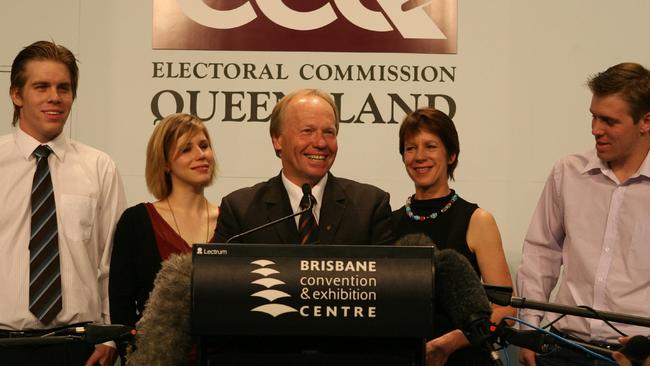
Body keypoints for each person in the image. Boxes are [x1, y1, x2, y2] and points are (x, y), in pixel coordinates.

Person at [0, 41, 126, 365]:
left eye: (64, 88)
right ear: (16, 94)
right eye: (41, 87)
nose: (55, 97)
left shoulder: (100, 167)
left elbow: (112, 262)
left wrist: (110, 335)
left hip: (78, 348)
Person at [517, 62, 650, 366]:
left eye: (609, 121)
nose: (595, 130)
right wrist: (529, 327)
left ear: (646, 122)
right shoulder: (568, 172)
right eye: (593, 116)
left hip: (634, 355)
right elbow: (541, 252)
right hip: (561, 347)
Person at [392, 107, 515, 365]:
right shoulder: (388, 222)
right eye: (410, 148)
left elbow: (505, 310)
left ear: (452, 154)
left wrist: (449, 343)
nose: (419, 156)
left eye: (431, 146)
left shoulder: (477, 220)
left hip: (462, 357)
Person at [214, 88, 393, 245]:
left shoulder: (370, 206)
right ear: (277, 139)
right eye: (307, 131)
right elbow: (221, 278)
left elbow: (388, 279)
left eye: (329, 132)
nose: (321, 143)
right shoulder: (240, 210)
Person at [109, 113, 218, 359]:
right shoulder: (136, 222)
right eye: (186, 149)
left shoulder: (230, 220)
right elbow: (121, 308)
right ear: (165, 163)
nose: (201, 155)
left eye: (204, 146)